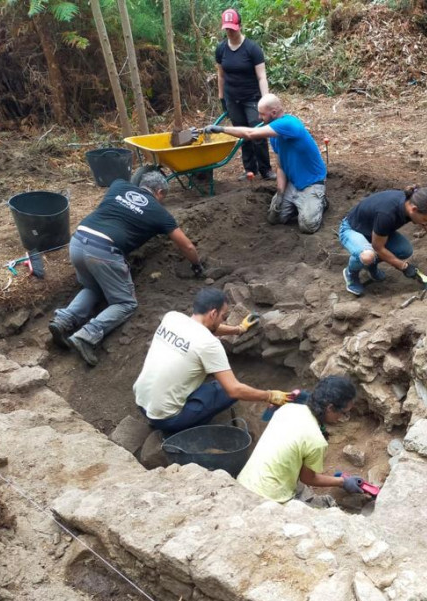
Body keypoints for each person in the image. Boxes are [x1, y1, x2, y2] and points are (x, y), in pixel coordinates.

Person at [49, 172, 204, 367]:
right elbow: (187, 246)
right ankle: (87, 335)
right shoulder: (160, 213)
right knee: (125, 303)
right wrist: (197, 265)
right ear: (160, 192)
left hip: (78, 241)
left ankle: (63, 322)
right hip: (103, 251)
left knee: (94, 287)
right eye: (163, 196)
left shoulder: (118, 185)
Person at [133, 288, 294, 435]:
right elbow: (235, 390)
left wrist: (238, 329)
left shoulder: (172, 318)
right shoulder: (210, 345)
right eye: (223, 317)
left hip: (141, 403)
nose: (223, 321)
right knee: (224, 391)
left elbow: (207, 327)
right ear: (213, 313)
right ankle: (184, 432)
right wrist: (270, 395)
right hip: (166, 419)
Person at [236, 375, 365, 508]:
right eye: (344, 413)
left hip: (244, 483)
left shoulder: (287, 409)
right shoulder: (316, 440)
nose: (342, 418)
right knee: (324, 510)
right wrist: (342, 482)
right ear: (330, 408)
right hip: (270, 500)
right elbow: (308, 478)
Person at [206, 94, 327, 234]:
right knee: (274, 218)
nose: (259, 118)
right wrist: (280, 192)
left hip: (311, 183)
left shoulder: (288, 124)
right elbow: (281, 165)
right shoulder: (275, 135)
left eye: (262, 114)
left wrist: (221, 129)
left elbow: (250, 133)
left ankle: (320, 202)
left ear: (274, 112)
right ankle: (300, 204)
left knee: (307, 226)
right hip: (294, 183)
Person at [339, 186, 427, 297]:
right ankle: (351, 273)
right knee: (368, 255)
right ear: (414, 210)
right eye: (426, 220)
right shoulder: (387, 213)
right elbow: (378, 247)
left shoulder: (417, 205)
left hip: (376, 232)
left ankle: (371, 266)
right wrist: (404, 266)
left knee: (404, 250)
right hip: (352, 230)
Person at [215, 8, 275, 180]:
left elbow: (262, 76)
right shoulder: (221, 50)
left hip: (252, 98)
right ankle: (250, 169)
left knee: (257, 132)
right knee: (242, 134)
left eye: (232, 28)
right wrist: (222, 98)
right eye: (227, 29)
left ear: (239, 26)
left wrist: (265, 100)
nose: (230, 32)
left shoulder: (252, 49)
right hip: (232, 98)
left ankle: (265, 169)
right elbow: (221, 75)